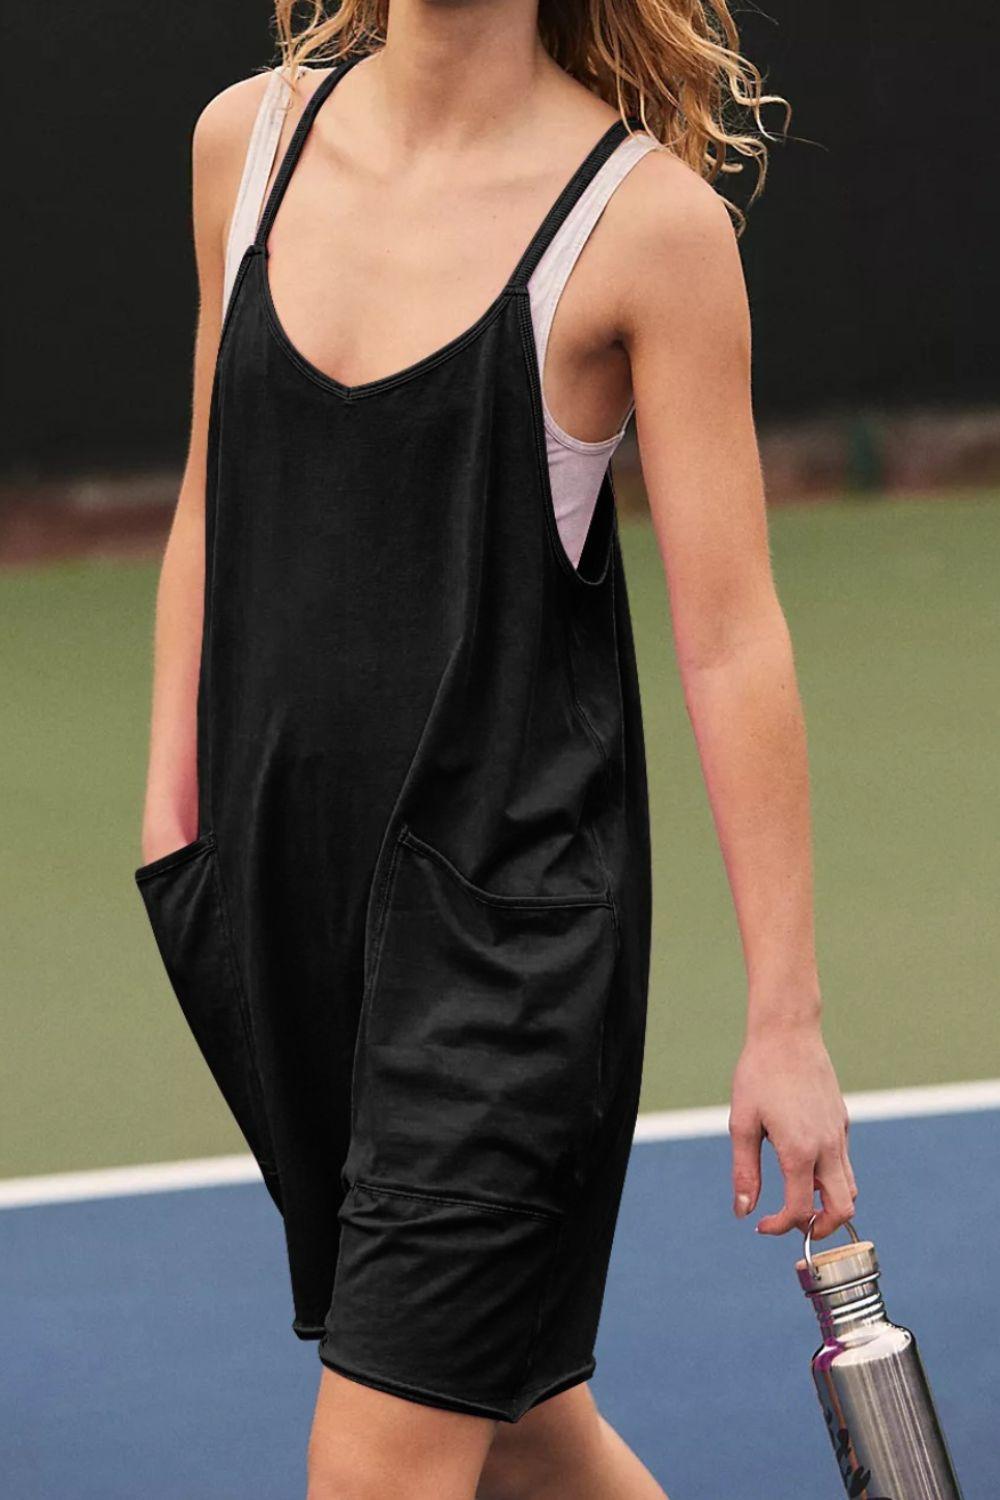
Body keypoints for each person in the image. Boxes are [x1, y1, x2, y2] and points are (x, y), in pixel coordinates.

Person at [134, 0, 857, 1494]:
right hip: (280, 913)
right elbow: (211, 500)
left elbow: (732, 642)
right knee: (527, 1436)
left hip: (509, 956)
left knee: (380, 1468)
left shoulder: (647, 230)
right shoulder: (244, 149)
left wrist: (786, 1015)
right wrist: (175, 826)